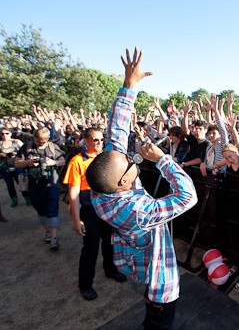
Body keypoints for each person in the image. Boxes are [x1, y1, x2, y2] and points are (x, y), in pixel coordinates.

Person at [86, 47, 197, 329]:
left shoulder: (104, 188)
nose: (130, 154)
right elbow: (188, 196)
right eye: (128, 160)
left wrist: (129, 86)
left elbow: (116, 134)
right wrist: (163, 160)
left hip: (139, 259)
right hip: (161, 283)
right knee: (157, 323)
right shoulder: (138, 210)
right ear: (124, 181)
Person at [62, 127, 126, 301]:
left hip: (106, 207)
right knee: (91, 247)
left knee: (109, 241)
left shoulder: (105, 158)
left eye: (101, 139)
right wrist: (76, 219)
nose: (99, 143)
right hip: (89, 210)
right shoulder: (77, 161)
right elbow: (73, 193)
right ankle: (85, 285)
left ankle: (110, 270)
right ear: (86, 141)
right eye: (95, 140)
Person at [15, 127, 66, 249]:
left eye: (43, 142)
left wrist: (53, 163)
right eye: (38, 142)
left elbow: (63, 161)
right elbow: (17, 163)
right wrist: (29, 162)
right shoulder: (27, 148)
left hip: (51, 183)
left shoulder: (52, 147)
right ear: (34, 138)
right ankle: (48, 230)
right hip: (34, 185)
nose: (40, 144)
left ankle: (54, 238)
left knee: (52, 209)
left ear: (47, 139)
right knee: (40, 209)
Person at [0, 127, 29, 207]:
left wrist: (18, 154)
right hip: (5, 167)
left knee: (21, 182)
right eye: (2, 134)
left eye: (6, 133)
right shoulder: (0, 143)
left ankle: (27, 198)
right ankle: (14, 200)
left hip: (17, 165)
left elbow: (26, 150)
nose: (4, 135)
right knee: (9, 185)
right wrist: (2, 155)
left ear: (10, 133)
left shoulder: (16, 141)